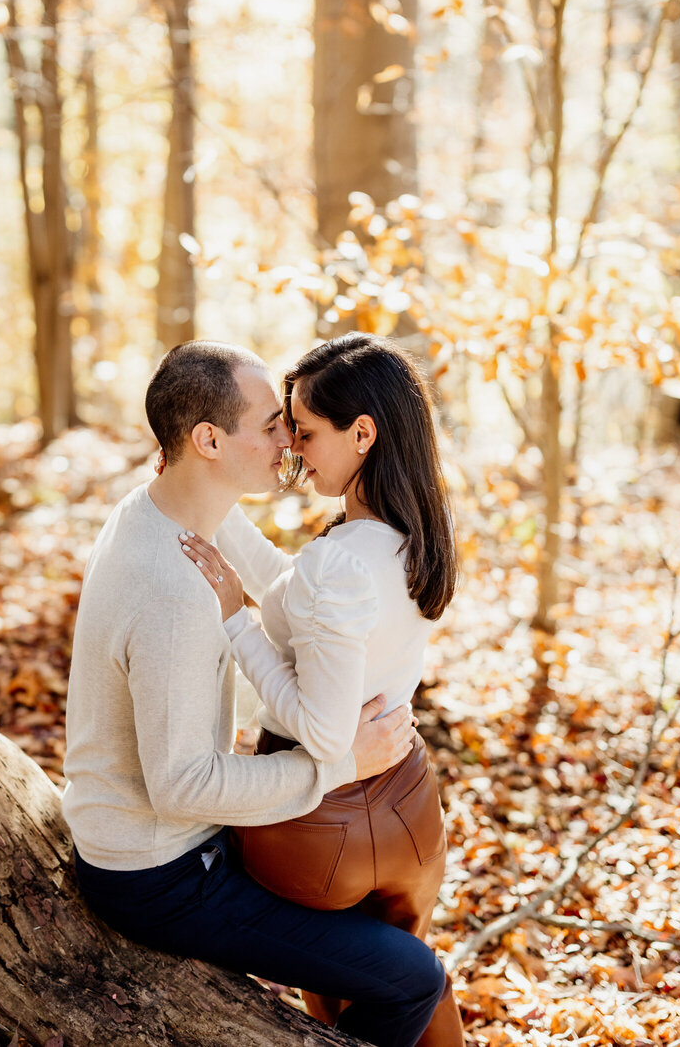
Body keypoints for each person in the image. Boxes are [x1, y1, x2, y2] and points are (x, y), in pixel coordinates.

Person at [61, 340, 449, 1047]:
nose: (289, 442)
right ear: (208, 439)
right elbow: (181, 785)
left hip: (166, 837)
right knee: (413, 977)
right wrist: (339, 764)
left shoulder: (158, 511)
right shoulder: (173, 593)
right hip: (162, 873)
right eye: (273, 424)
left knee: (368, 929)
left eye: (294, 425)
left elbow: (280, 596)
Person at [178, 333, 464, 1046]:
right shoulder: (410, 537)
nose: (296, 449)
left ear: (362, 432)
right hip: (408, 811)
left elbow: (324, 732)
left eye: (305, 432)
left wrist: (236, 623)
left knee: (347, 997)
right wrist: (216, 500)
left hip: (319, 827)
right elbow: (297, 595)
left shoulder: (337, 563)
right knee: (401, 985)